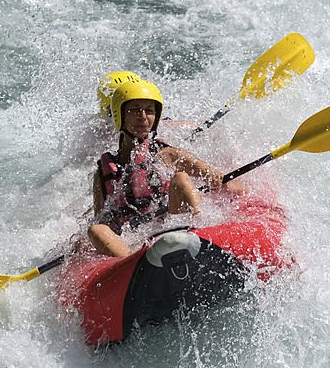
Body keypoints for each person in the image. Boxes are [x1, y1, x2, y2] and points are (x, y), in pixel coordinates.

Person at [81, 78, 243, 258]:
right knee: (96, 229)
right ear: (120, 115)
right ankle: (135, 266)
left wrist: (232, 190)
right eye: (134, 110)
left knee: (181, 179)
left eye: (149, 111)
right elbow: (102, 218)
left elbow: (219, 179)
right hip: (133, 245)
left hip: (175, 229)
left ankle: (203, 238)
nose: (143, 117)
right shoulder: (103, 172)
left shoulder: (167, 154)